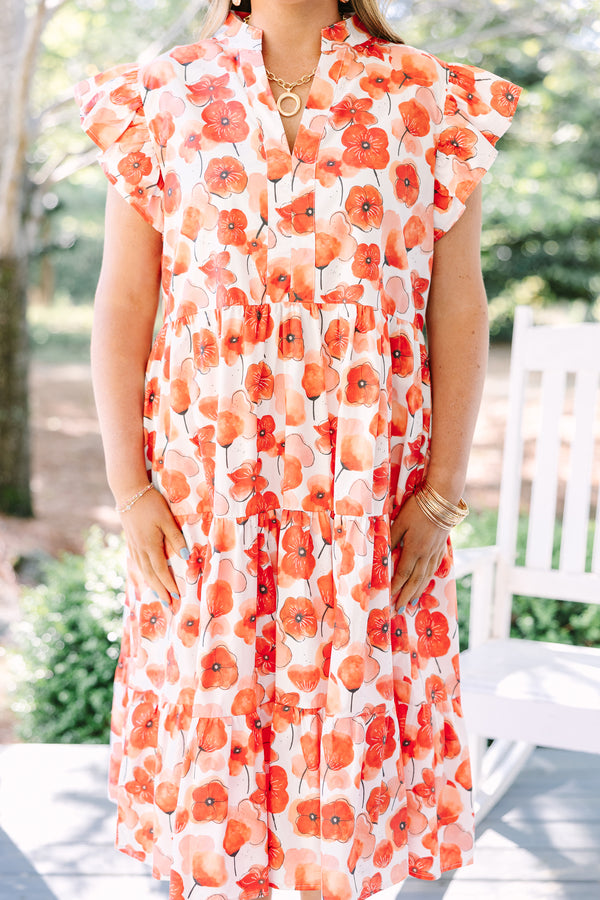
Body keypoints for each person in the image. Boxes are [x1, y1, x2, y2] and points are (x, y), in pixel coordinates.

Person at [74, 1, 520, 898]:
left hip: (370, 500)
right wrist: (131, 492)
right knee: (209, 760)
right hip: (209, 498)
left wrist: (439, 495)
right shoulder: (160, 96)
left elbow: (459, 311)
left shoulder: (431, 99)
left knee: (354, 761)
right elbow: (124, 306)